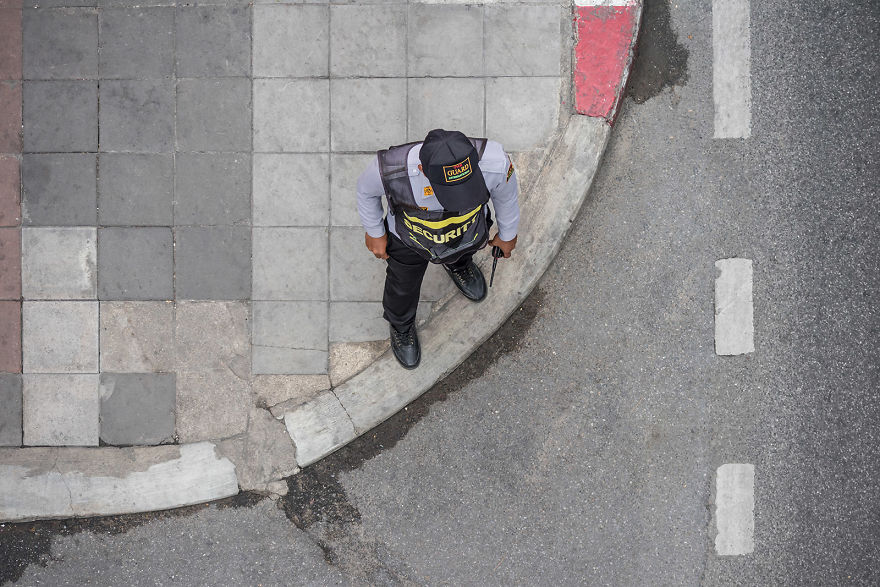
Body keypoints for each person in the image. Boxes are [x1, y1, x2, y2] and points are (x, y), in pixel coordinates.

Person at [356, 129, 520, 369]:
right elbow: (365, 192)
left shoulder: (496, 163)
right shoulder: (390, 169)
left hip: (466, 230)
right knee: (402, 287)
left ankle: (459, 267)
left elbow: (506, 197)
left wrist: (508, 235)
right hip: (409, 239)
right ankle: (401, 326)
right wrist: (375, 232)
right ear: (423, 171)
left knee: (463, 252)